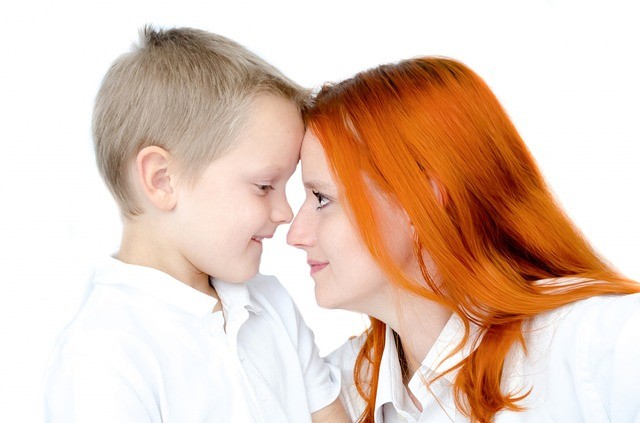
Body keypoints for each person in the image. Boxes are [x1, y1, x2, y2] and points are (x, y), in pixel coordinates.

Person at [287, 57, 640, 422]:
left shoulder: (607, 347)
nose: (295, 235)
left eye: (322, 199)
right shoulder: (330, 394)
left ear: (419, 201)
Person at [43, 26, 348, 422]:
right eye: (264, 186)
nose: (285, 212)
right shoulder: (103, 356)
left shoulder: (270, 303)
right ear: (162, 180)